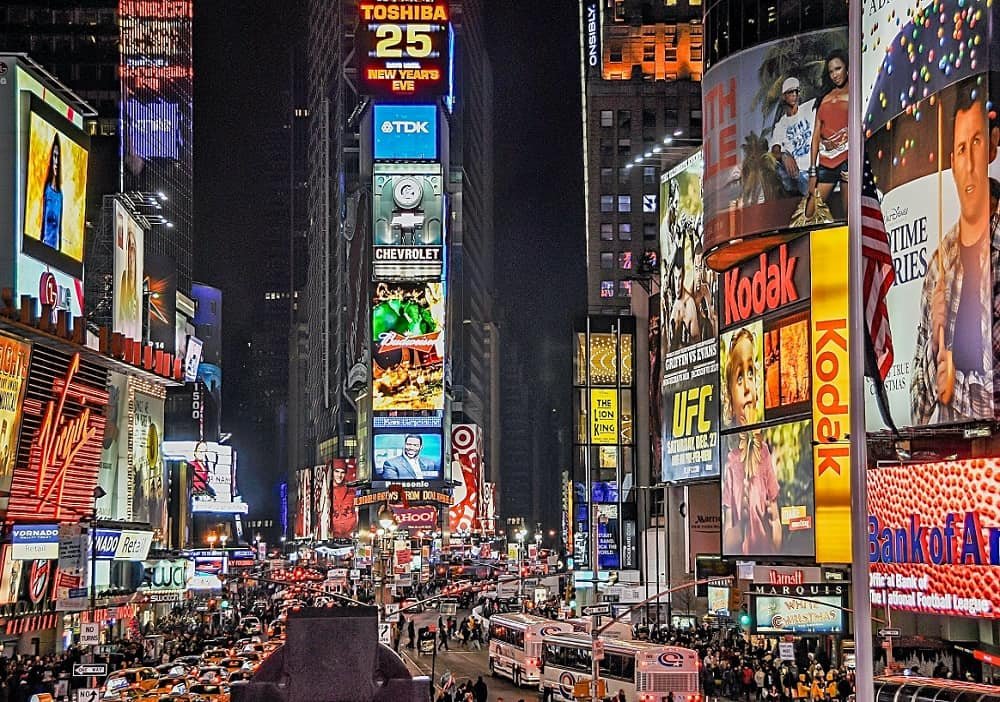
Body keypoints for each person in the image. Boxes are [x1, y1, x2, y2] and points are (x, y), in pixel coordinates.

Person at [912, 80, 994, 424]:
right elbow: (916, 411)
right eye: (961, 148)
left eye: (977, 141)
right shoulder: (939, 265)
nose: (971, 162)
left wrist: (956, 386)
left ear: (992, 147)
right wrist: (935, 347)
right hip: (953, 468)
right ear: (952, 162)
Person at [721, 328, 782, 555]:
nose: (748, 386)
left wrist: (771, 525)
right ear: (729, 394)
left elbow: (776, 522)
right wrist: (742, 520)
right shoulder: (729, 463)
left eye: (751, 373)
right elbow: (729, 538)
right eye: (739, 378)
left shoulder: (764, 453)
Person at [806, 50, 849, 215]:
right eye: (831, 71)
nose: (834, 75)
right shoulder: (824, 98)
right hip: (826, 162)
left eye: (838, 69)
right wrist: (812, 171)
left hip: (847, 159)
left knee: (849, 214)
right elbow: (815, 137)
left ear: (846, 67)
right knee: (809, 213)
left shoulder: (855, 91)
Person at [773, 77, 816, 197]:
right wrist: (783, 156)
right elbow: (774, 150)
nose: (794, 95)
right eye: (790, 92)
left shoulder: (809, 107)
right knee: (779, 168)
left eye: (796, 91)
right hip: (800, 174)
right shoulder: (781, 125)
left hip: (816, 167)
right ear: (784, 96)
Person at [40, 135, 63, 250]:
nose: (56, 161)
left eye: (58, 157)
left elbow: (60, 228)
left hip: (54, 252)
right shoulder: (46, 190)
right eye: (54, 156)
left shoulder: (60, 195)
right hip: (44, 248)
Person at [118, 224, 139, 327]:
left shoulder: (138, 293)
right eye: (129, 249)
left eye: (133, 249)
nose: (131, 256)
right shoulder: (122, 282)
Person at [330, 461, 358, 538]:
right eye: (337, 471)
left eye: (342, 472)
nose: (339, 475)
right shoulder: (325, 491)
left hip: (349, 533)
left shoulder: (352, 491)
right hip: (331, 533)